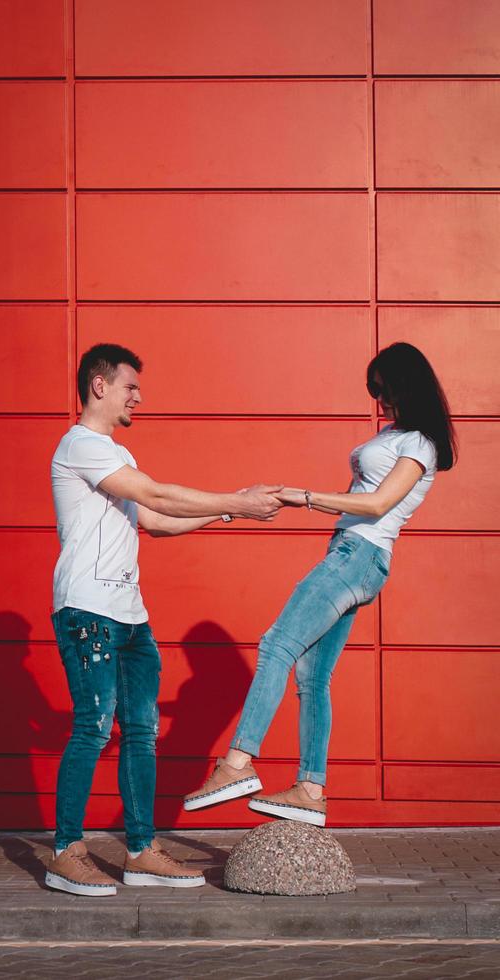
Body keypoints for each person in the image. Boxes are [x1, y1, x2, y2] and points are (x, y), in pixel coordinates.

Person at [184, 342, 457, 826]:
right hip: (351, 556)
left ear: (403, 385)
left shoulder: (419, 443)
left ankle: (237, 764)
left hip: (360, 554)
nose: (379, 400)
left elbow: (376, 505)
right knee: (313, 676)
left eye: (384, 390)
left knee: (275, 645)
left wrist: (298, 496)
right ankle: (310, 789)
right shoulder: (396, 434)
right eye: (375, 392)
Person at [45, 343, 283, 896]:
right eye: (131, 386)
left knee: (142, 733)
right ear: (99, 385)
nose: (139, 397)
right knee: (94, 727)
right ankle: (65, 850)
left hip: (130, 617)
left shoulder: (115, 456)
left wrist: (225, 510)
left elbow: (154, 517)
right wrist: (239, 501)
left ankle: (140, 852)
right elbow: (152, 494)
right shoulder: (79, 445)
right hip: (88, 611)